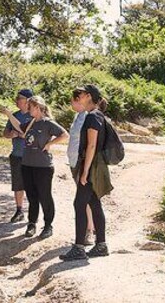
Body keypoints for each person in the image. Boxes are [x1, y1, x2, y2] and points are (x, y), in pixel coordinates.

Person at [61, 84, 112, 261]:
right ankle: (101, 245)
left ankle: (79, 248)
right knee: (94, 202)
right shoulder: (97, 115)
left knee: (79, 204)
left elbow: (91, 145)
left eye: (80, 94)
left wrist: (84, 172)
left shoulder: (92, 117)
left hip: (91, 166)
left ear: (88, 96)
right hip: (95, 166)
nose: (78, 96)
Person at [20, 95, 69, 238]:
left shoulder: (48, 123)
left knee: (44, 196)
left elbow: (64, 134)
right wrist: (9, 115)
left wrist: (50, 144)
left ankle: (48, 225)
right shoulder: (30, 123)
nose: (28, 109)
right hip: (27, 164)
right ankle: (32, 223)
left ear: (38, 107)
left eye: (30, 107)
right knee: (31, 195)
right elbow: (19, 129)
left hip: (43, 166)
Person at [0, 89, 34, 222]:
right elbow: (5, 133)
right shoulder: (15, 115)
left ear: (28, 100)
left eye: (19, 98)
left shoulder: (33, 116)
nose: (16, 100)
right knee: (18, 184)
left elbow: (25, 132)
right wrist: (11, 134)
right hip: (16, 154)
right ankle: (19, 210)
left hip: (31, 156)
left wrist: (19, 133)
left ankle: (33, 213)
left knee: (31, 185)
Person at [67, 89, 96, 246]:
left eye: (72, 100)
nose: (70, 103)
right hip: (74, 162)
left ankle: (89, 232)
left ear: (79, 100)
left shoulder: (87, 117)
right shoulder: (77, 116)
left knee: (84, 199)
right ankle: (89, 229)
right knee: (84, 199)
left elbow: (90, 143)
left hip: (81, 162)